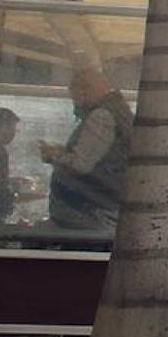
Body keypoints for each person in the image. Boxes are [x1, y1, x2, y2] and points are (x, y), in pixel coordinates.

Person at [41, 64, 133, 231]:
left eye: (74, 96)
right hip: (98, 213)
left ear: (84, 91)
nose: (75, 103)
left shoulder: (101, 117)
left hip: (90, 217)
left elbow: (81, 165)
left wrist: (53, 155)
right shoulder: (117, 113)